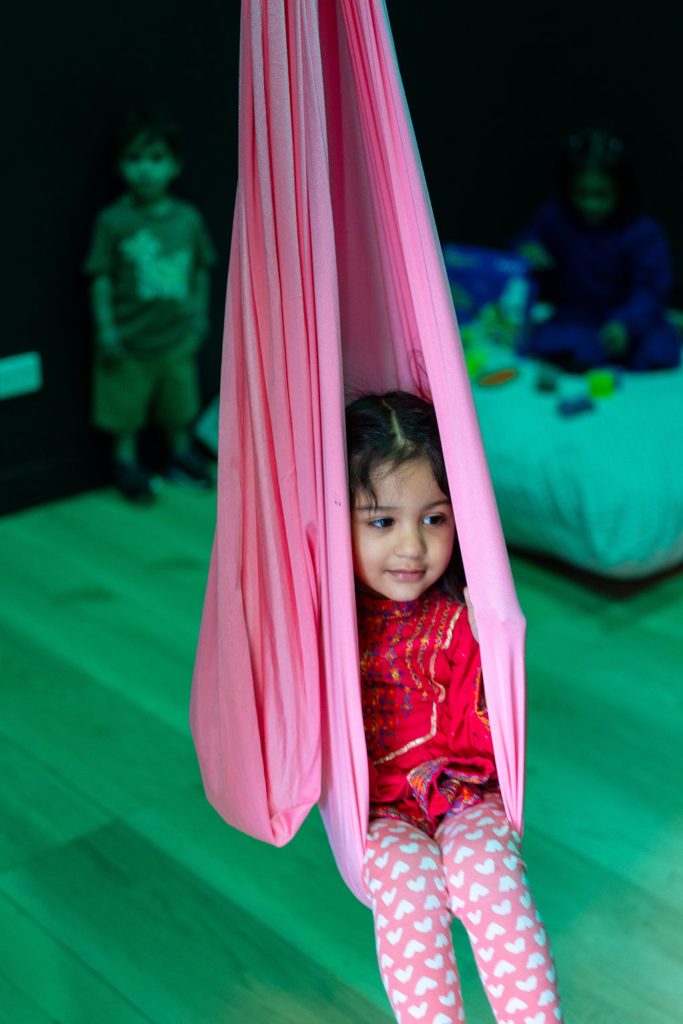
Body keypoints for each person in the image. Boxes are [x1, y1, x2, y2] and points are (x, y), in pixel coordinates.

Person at [346, 391, 563, 1024]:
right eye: (383, 522)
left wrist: (485, 631)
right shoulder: (331, 628)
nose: (413, 546)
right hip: (381, 808)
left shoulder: (464, 613)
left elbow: (489, 732)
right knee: (407, 895)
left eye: (434, 518)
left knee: (487, 873)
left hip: (466, 791)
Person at [85, 108, 216, 501]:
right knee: (124, 411)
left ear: (174, 165)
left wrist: (199, 319)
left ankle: (179, 457)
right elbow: (100, 276)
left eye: (156, 158)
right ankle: (126, 463)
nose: (145, 170)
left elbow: (201, 270)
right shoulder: (113, 221)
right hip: (128, 343)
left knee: (179, 406)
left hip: (176, 340)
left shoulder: (187, 219)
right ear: (120, 165)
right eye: (135, 159)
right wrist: (105, 328)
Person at [517, 128, 680, 372]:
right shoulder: (556, 216)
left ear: (622, 191)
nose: (590, 204)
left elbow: (652, 289)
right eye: (582, 193)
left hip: (626, 314)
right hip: (577, 314)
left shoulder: (642, 231)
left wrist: (627, 323)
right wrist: (528, 248)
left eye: (601, 194)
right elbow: (528, 239)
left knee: (659, 349)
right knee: (551, 342)